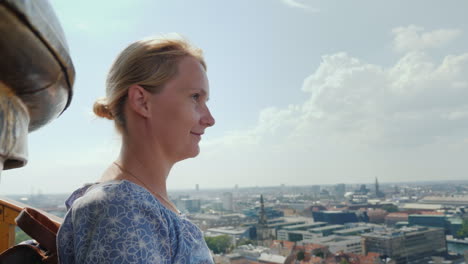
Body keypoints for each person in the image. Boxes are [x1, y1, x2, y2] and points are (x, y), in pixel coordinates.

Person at [57, 36, 215, 264]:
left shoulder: (131, 204)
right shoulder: (122, 209)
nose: (210, 119)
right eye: (195, 97)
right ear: (142, 101)